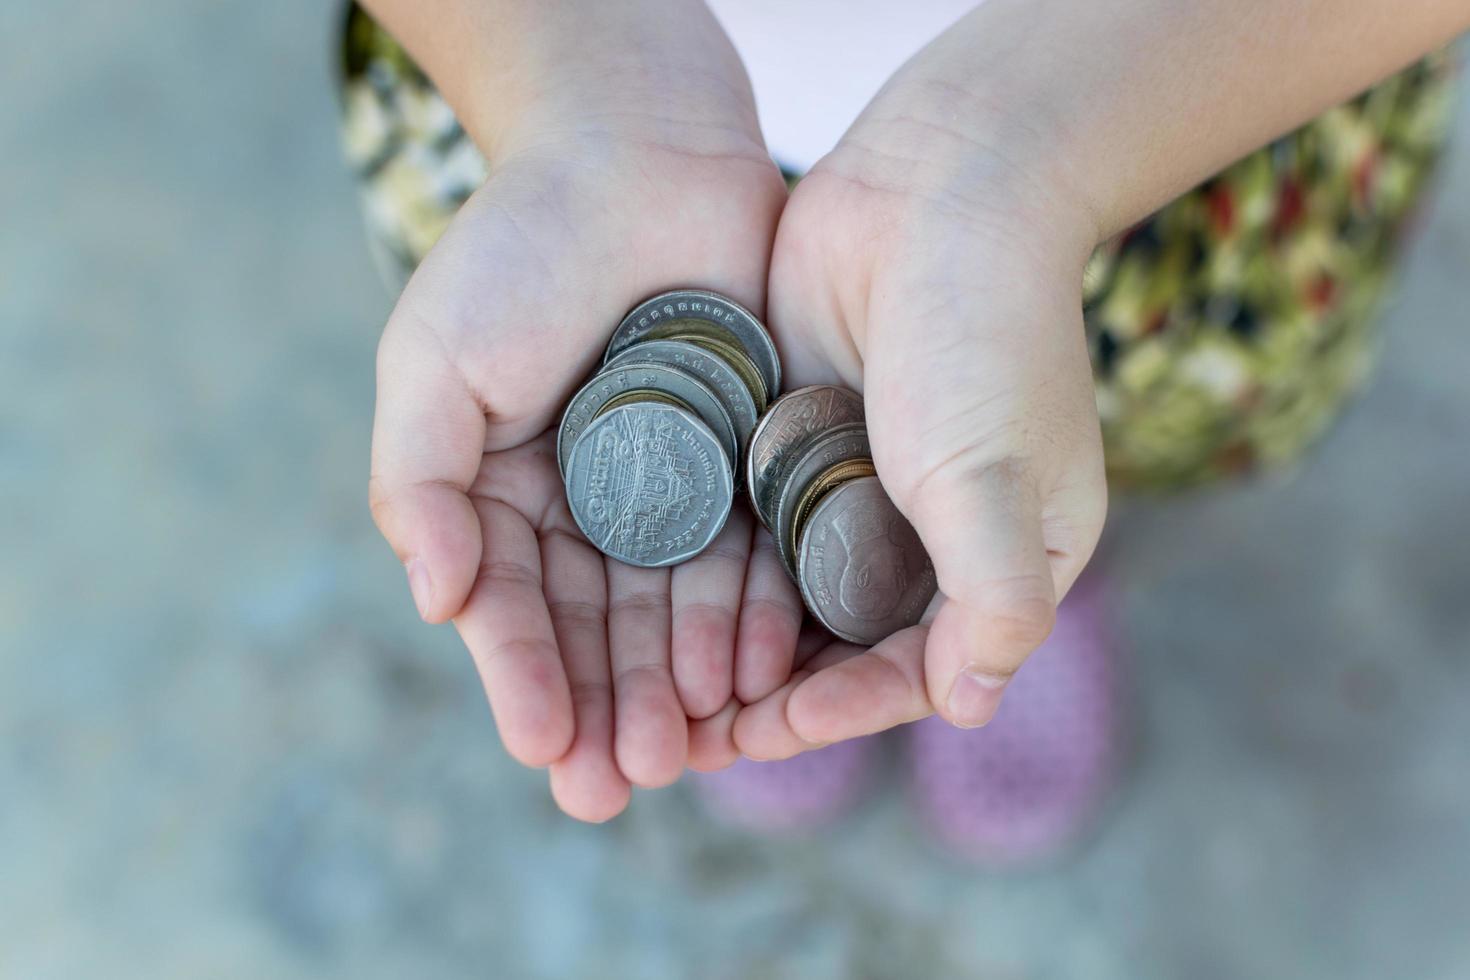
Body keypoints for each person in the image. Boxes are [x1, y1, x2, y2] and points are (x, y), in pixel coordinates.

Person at [341, 0, 1465, 861]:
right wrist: (576, 88)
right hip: (549, 90)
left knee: (1067, 417)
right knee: (990, 446)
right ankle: (982, 542)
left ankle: (1038, 535)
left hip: (1184, 94)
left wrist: (1022, 160)